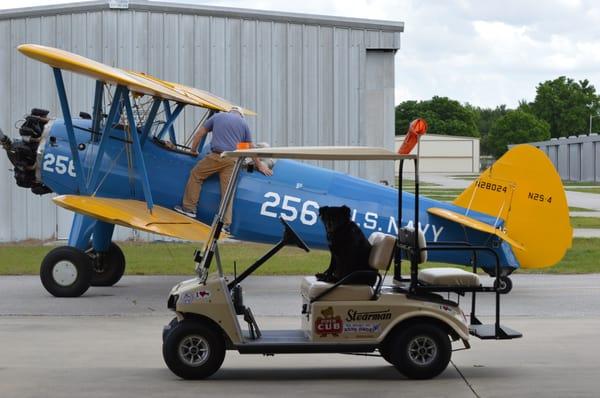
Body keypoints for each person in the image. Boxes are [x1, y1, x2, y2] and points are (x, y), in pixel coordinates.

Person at [175, 106, 272, 231]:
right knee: (227, 192)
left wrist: (193, 150)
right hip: (232, 160)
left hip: (217, 156)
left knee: (196, 175)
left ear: (229, 112)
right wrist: (259, 165)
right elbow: (250, 147)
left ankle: (189, 209)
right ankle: (225, 224)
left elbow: (200, 134)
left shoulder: (217, 117)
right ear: (240, 115)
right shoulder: (243, 124)